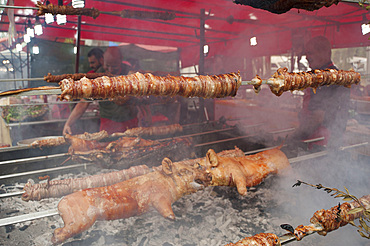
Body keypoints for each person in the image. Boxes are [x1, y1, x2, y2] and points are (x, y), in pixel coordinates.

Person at [63, 46, 138, 135]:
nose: (110, 70)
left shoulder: (130, 73)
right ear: (102, 60)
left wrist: (146, 114)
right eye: (107, 66)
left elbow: (141, 96)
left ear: (120, 60)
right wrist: (68, 123)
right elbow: (84, 102)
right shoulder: (97, 76)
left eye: (114, 66)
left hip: (130, 122)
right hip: (108, 123)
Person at [293, 35, 351, 150]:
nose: (306, 57)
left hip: (320, 142)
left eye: (310, 53)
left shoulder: (324, 78)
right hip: (330, 140)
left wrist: (295, 138)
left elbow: (317, 118)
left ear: (325, 53)